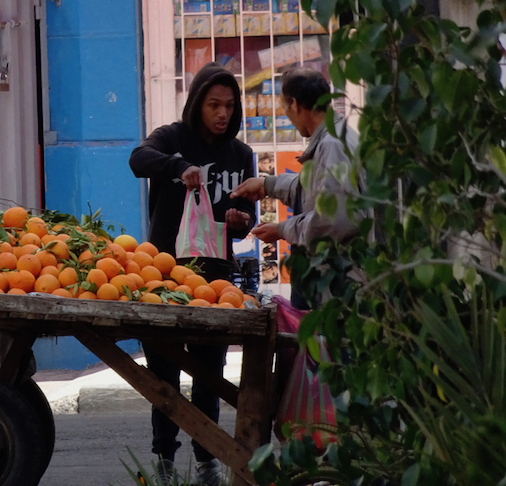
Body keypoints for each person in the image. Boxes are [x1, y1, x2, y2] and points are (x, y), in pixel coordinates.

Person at [129, 62, 257, 486]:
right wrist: (177, 167)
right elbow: (138, 159)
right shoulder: (172, 137)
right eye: (213, 104)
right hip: (163, 273)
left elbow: (247, 216)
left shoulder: (240, 155)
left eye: (229, 105)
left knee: (208, 374)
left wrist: (241, 220)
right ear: (197, 103)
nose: (222, 113)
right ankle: (164, 460)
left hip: (214, 278)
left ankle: (208, 461)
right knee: (163, 374)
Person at [230, 67, 359, 307]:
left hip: (340, 283)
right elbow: (316, 189)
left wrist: (282, 229)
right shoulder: (333, 137)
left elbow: (333, 219)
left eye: (285, 109)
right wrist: (268, 184)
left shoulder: (333, 145)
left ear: (296, 105)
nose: (287, 115)